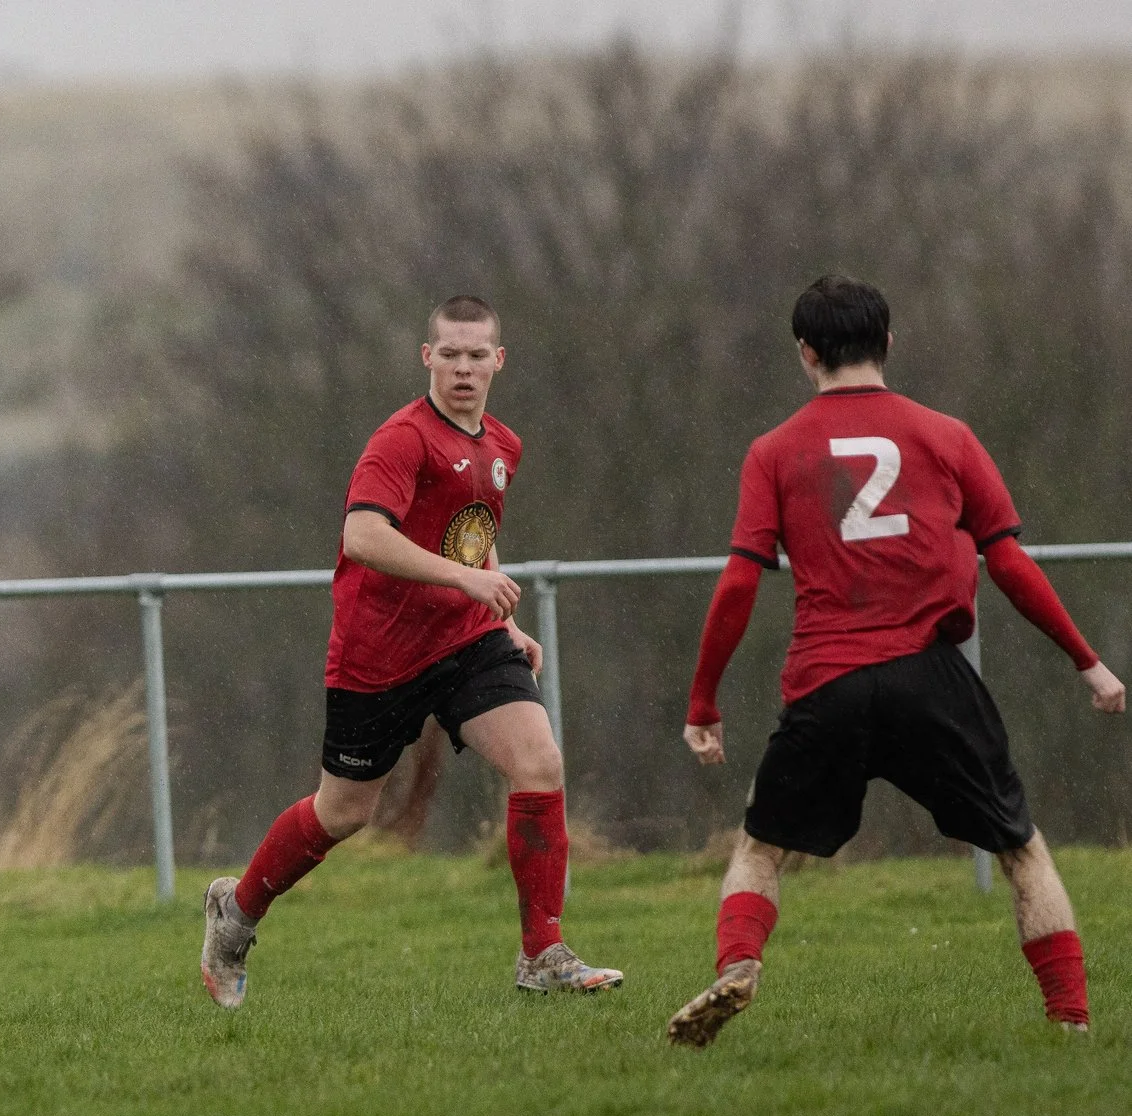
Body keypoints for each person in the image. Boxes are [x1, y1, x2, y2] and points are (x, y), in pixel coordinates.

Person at [668, 275, 1124, 1047]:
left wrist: (703, 702)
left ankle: (740, 964)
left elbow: (741, 580)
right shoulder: (946, 436)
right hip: (931, 679)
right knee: (1020, 849)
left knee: (761, 846)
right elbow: (1008, 563)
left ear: (805, 353)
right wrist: (1088, 661)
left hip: (828, 680)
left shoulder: (774, 450)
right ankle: (1072, 1023)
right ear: (888, 344)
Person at [198, 296, 624, 1007]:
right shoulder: (401, 440)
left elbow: (470, 528)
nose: (463, 367)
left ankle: (542, 954)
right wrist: (465, 576)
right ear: (427, 358)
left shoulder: (503, 447)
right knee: (344, 812)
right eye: (449, 354)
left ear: (498, 360)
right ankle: (234, 917)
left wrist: (497, 609)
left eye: (476, 354)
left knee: (539, 761)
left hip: (467, 640)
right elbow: (363, 536)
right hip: (379, 655)